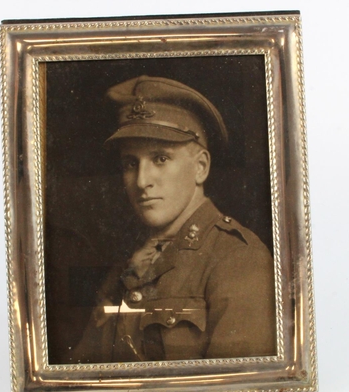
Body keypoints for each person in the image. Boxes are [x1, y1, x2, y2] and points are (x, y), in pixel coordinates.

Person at [73, 75, 276, 363]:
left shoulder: (237, 258)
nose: (142, 181)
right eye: (131, 163)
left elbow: (232, 390)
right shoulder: (129, 266)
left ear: (201, 167)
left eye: (160, 158)